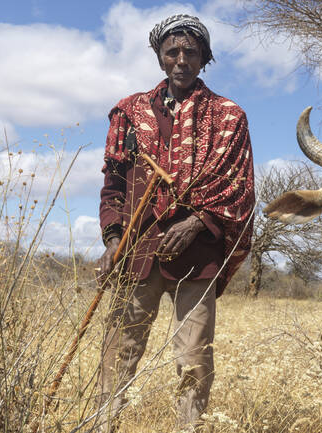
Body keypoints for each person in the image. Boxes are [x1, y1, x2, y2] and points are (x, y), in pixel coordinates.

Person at [94, 14, 255, 433]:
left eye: (191, 52)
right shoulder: (129, 113)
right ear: (159, 57)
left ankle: (190, 427)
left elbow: (238, 190)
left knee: (194, 359)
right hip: (137, 253)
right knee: (119, 352)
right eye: (172, 52)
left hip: (197, 257)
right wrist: (113, 238)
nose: (182, 60)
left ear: (205, 58)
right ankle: (102, 424)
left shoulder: (229, 117)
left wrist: (197, 222)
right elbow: (113, 185)